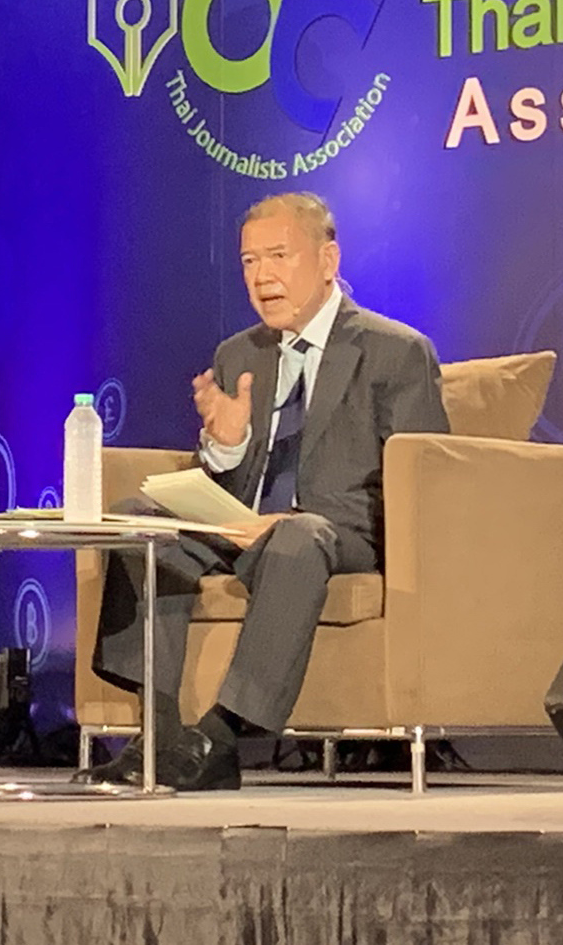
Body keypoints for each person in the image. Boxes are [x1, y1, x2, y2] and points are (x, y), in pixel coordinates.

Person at [85, 191, 450, 790]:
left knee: (298, 538)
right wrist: (226, 447)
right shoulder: (239, 353)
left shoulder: (396, 352)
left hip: (340, 534)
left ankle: (220, 738)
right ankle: (160, 737)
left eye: (279, 256)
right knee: (138, 521)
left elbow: (424, 481)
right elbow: (223, 482)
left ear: (328, 260)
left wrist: (288, 520)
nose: (262, 276)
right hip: (240, 527)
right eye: (249, 261)